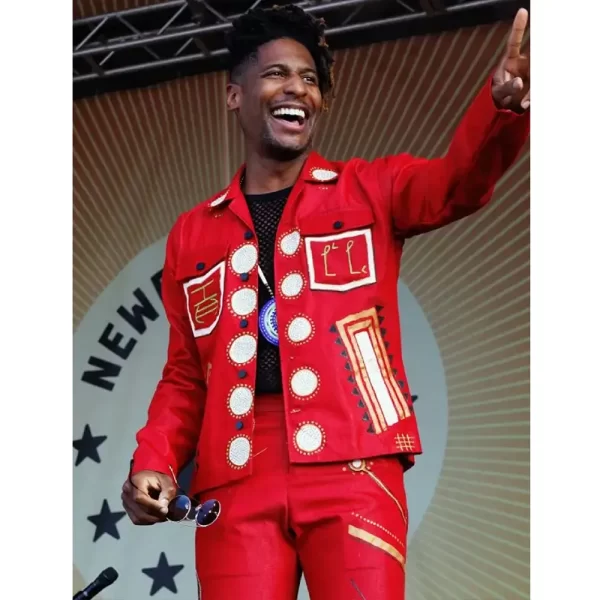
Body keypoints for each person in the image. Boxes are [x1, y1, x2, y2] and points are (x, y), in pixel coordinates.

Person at [121, 5, 530, 599]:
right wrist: (153, 460)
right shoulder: (193, 233)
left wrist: (501, 110)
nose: (297, 90)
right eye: (278, 74)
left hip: (356, 460)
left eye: (310, 79)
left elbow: (456, 185)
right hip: (235, 475)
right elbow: (186, 374)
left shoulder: (371, 190)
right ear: (234, 95)